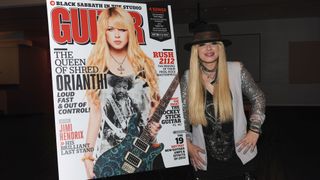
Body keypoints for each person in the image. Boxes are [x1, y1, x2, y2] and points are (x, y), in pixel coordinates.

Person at [82, 7, 162, 179]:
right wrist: (87, 157)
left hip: (144, 150)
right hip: (111, 155)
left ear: (130, 33)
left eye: (122, 29)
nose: (116, 35)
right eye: (110, 29)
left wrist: (153, 124)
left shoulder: (144, 65)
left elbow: (154, 105)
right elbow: (95, 115)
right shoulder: (96, 68)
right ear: (103, 33)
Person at [180, 23, 266, 180]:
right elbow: (182, 114)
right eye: (202, 45)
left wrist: (255, 129)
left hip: (240, 155)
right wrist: (186, 143)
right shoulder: (188, 77)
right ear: (195, 50)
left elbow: (257, 97)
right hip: (204, 158)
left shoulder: (236, 70)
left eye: (214, 43)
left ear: (220, 48)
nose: (209, 48)